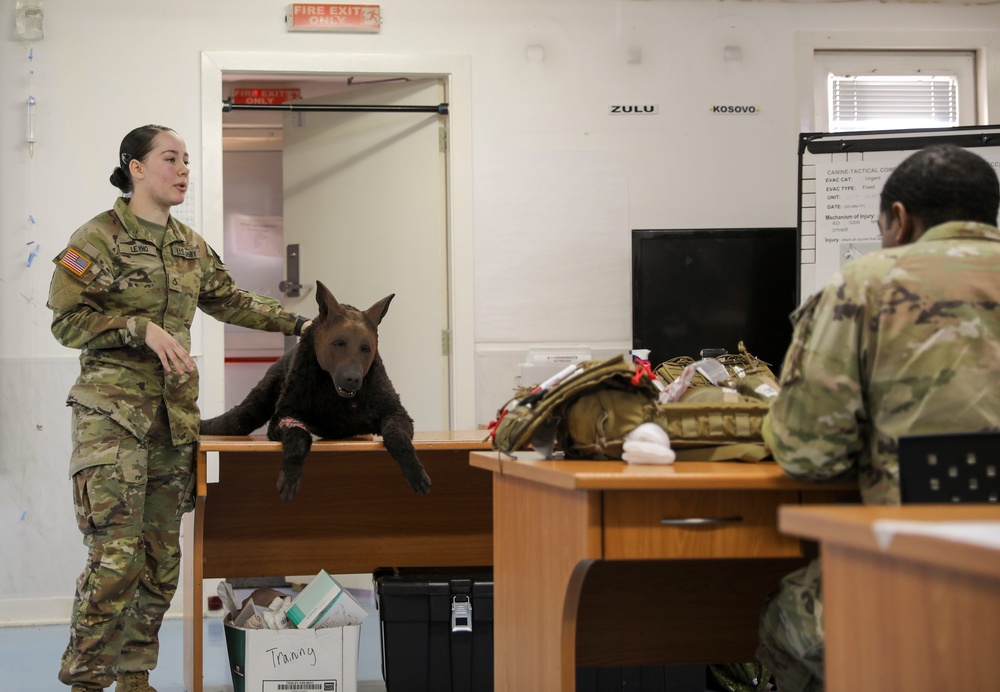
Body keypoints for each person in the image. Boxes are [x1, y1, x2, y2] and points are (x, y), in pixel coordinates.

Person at [48, 124, 311, 692]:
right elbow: (66, 322)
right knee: (114, 563)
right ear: (135, 167)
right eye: (170, 159)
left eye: (187, 160)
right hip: (111, 425)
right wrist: (136, 327)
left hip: (173, 424)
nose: (183, 170)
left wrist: (305, 325)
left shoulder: (189, 246)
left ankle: (135, 678)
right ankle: (87, 681)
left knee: (161, 566)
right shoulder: (95, 239)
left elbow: (231, 299)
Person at [756, 143, 1000, 692]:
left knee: (786, 621)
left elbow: (808, 454)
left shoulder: (864, 284)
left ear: (899, 218)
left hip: (916, 580)